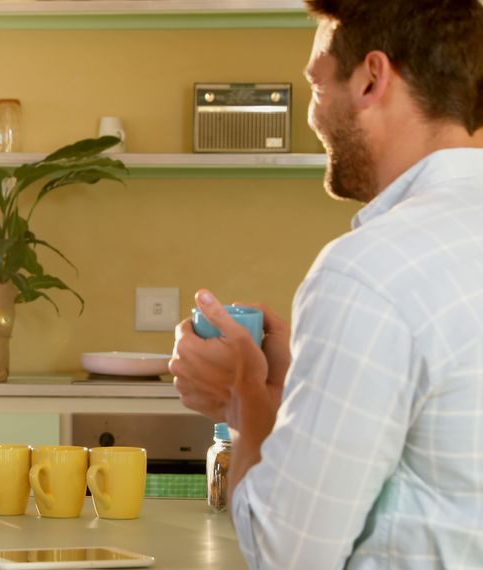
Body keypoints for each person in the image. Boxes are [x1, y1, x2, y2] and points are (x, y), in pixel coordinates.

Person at [170, 0, 483, 567]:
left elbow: (287, 554)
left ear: (371, 78)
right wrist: (307, 378)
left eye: (317, 88)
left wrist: (243, 395)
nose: (315, 119)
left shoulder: (368, 271)